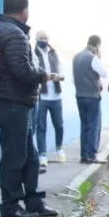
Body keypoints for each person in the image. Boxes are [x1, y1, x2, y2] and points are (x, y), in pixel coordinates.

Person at [0, 0, 58, 217]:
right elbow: (23, 71)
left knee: (29, 156)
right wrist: (44, 75)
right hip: (14, 103)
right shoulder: (16, 35)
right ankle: (11, 205)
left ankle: (33, 201)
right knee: (15, 156)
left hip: (8, 101)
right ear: (25, 11)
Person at [73, 35, 109, 164]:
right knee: (94, 125)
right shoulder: (92, 58)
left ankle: (84, 155)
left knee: (84, 126)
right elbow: (105, 74)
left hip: (79, 95)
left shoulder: (76, 57)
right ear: (97, 45)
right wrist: (99, 57)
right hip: (92, 97)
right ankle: (91, 155)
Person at [33, 30, 66, 172]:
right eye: (41, 38)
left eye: (46, 38)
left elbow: (61, 69)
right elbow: (34, 70)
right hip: (42, 96)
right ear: (36, 39)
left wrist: (59, 76)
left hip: (56, 96)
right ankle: (42, 155)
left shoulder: (53, 53)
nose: (44, 40)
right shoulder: (34, 53)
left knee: (59, 125)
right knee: (41, 126)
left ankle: (59, 148)